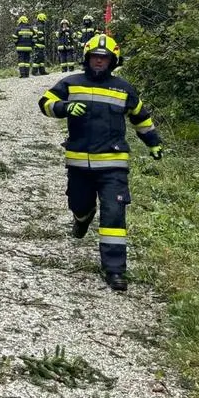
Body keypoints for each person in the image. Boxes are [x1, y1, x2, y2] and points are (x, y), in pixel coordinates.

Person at [38, 34, 164, 291]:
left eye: (104, 58)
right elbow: (45, 102)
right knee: (79, 205)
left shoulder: (124, 88)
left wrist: (153, 142)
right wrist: (64, 108)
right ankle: (82, 218)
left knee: (115, 214)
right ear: (87, 58)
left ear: (112, 61)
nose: (99, 61)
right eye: (95, 57)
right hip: (79, 164)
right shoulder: (71, 83)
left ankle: (115, 271)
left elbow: (141, 118)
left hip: (113, 164)